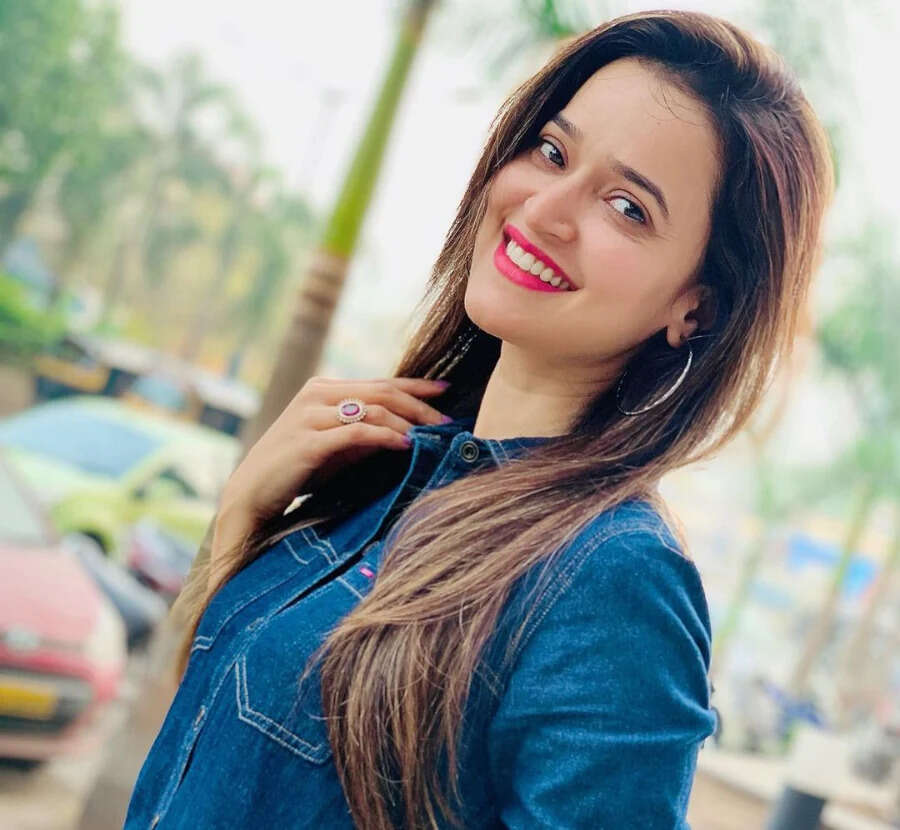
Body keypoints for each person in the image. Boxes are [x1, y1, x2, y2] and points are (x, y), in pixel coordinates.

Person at [124, 9, 833, 829]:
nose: (547, 209)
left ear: (696, 308)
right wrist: (242, 521)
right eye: (553, 152)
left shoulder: (615, 583)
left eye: (626, 207)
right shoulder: (376, 463)